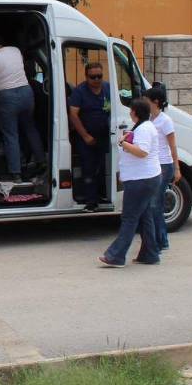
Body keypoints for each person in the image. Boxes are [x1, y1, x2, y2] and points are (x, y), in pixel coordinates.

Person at [100, 98, 161, 267]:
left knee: (130, 217)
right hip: (142, 178)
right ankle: (150, 253)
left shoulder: (145, 129)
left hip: (141, 180)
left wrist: (123, 143)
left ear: (136, 112)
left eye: (131, 110)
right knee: (144, 216)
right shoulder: (143, 127)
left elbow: (142, 152)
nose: (129, 113)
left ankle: (116, 255)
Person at [0, 33, 47, 181]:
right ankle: (42, 161)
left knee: (11, 135)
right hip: (26, 92)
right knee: (30, 128)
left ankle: (16, 172)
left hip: (6, 97)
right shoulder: (15, 50)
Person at [68, 61, 111, 212]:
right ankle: (91, 202)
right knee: (89, 169)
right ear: (86, 77)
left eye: (99, 76)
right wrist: (85, 136)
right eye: (93, 77)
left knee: (103, 168)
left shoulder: (107, 88)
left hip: (105, 137)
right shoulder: (80, 91)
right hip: (85, 137)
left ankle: (102, 196)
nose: (97, 80)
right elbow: (73, 115)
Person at [144, 86, 178, 251]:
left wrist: (176, 168)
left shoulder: (165, 121)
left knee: (155, 204)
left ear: (156, 102)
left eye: (147, 100)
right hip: (155, 166)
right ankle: (160, 239)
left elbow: (173, 146)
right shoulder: (150, 120)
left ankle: (161, 240)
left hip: (164, 165)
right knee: (153, 204)